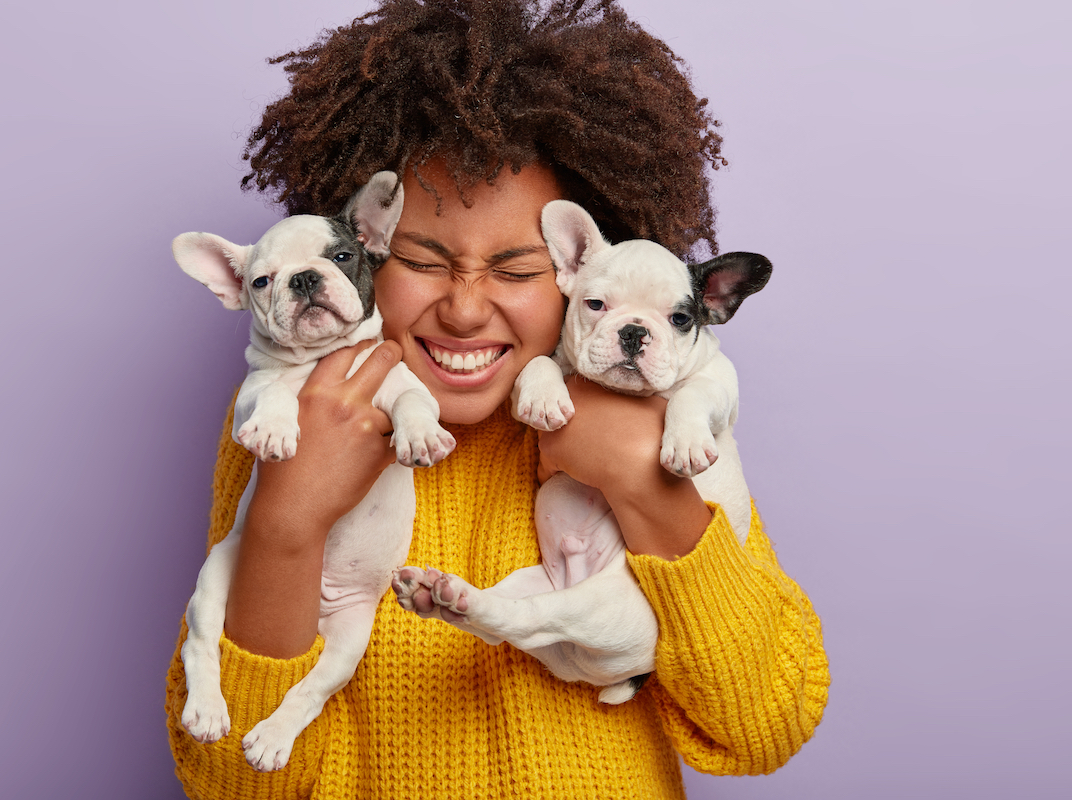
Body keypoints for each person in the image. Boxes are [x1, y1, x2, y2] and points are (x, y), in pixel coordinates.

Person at [165, 1, 829, 797]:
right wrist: (285, 524)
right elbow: (233, 783)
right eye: (422, 258)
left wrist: (649, 489)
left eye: (518, 271)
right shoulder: (294, 416)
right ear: (364, 247)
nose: (468, 308)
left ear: (584, 265)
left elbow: (764, 726)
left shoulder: (663, 413)